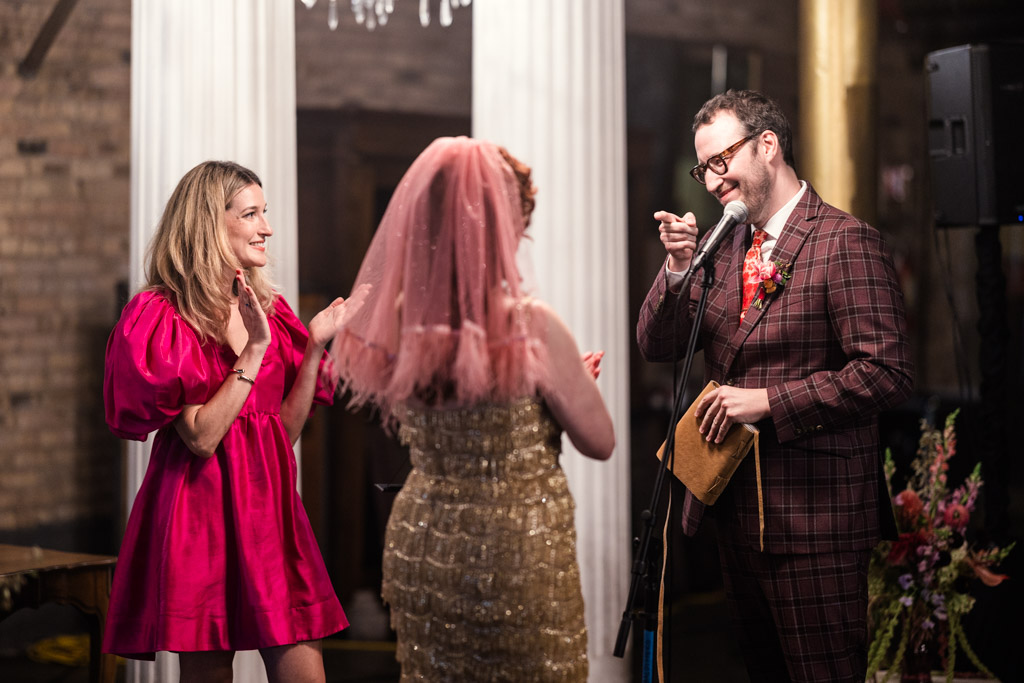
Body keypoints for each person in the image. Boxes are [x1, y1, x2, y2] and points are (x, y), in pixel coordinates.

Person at [636, 90, 913, 682]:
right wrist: (679, 270)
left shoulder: (844, 240)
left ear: (768, 145)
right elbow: (656, 346)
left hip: (817, 522)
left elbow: (888, 373)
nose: (713, 181)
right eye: (703, 168)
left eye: (721, 160)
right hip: (735, 515)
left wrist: (768, 402)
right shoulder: (722, 246)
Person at [329, 136, 615, 682]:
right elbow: (599, 443)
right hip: (513, 546)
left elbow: (449, 408)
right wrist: (566, 387)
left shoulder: (403, 315)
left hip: (425, 537)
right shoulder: (530, 325)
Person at [102, 161, 353, 682]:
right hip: (201, 514)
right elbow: (201, 437)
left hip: (271, 512)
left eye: (265, 213)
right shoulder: (165, 314)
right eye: (251, 214)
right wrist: (255, 349)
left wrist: (313, 349)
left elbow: (280, 435)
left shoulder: (270, 310)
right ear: (209, 224)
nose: (267, 228)